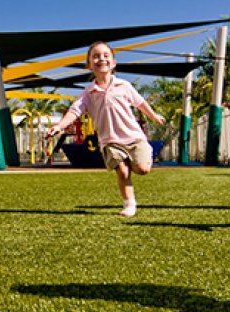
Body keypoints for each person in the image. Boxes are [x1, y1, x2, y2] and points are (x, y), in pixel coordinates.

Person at [46, 41, 165, 217]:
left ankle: (137, 156)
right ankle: (129, 203)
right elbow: (74, 111)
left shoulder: (123, 85)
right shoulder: (88, 92)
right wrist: (59, 126)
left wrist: (153, 115)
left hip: (133, 137)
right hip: (110, 140)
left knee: (142, 169)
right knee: (123, 171)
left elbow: (140, 102)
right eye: (95, 56)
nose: (101, 59)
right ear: (89, 65)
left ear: (114, 63)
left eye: (105, 55)